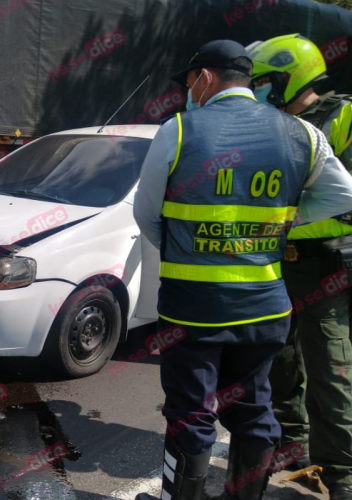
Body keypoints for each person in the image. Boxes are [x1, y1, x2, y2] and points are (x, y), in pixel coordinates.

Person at [132, 39, 352, 500]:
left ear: (206, 77)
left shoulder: (180, 129)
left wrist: (187, 252)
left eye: (191, 82)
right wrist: (279, 220)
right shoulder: (303, 134)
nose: (189, 92)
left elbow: (148, 214)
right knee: (254, 409)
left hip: (193, 311)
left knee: (192, 414)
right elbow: (343, 197)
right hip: (264, 309)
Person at [248, 33, 352, 499]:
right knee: (281, 357)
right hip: (278, 260)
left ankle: (342, 475)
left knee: (330, 367)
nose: (258, 93)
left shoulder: (344, 115)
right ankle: (294, 445)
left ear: (291, 77)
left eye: (264, 83)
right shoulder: (272, 124)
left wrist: (296, 212)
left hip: (329, 261)